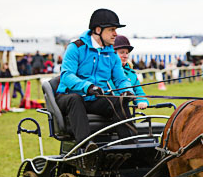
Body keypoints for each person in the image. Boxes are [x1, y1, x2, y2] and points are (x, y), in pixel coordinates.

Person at [56, 8, 136, 149]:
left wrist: (127, 91)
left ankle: (129, 146)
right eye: (111, 29)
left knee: (119, 101)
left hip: (94, 99)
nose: (115, 34)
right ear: (98, 30)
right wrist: (87, 86)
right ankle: (86, 146)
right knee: (75, 99)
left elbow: (120, 79)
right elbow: (67, 75)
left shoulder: (111, 54)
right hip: (68, 97)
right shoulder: (75, 48)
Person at [112, 35, 148, 109]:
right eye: (122, 52)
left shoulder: (132, 74)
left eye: (127, 53)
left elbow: (139, 92)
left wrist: (141, 101)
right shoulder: (106, 70)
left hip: (123, 110)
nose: (125, 56)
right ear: (113, 54)